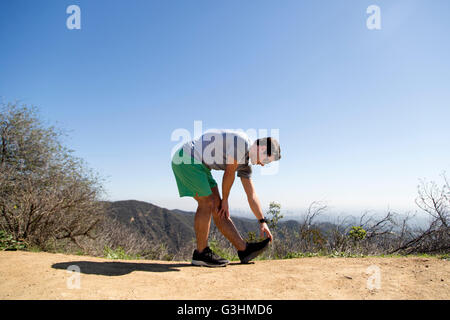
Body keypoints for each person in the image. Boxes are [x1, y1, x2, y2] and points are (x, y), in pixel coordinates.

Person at [171, 130, 281, 267]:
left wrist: (262, 221)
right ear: (262, 148)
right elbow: (229, 172)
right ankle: (201, 253)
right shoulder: (242, 143)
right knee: (208, 202)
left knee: (218, 209)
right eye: (265, 160)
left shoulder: (245, 165)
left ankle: (244, 250)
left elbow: (251, 195)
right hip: (187, 158)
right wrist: (226, 200)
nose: (263, 164)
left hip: (201, 166)